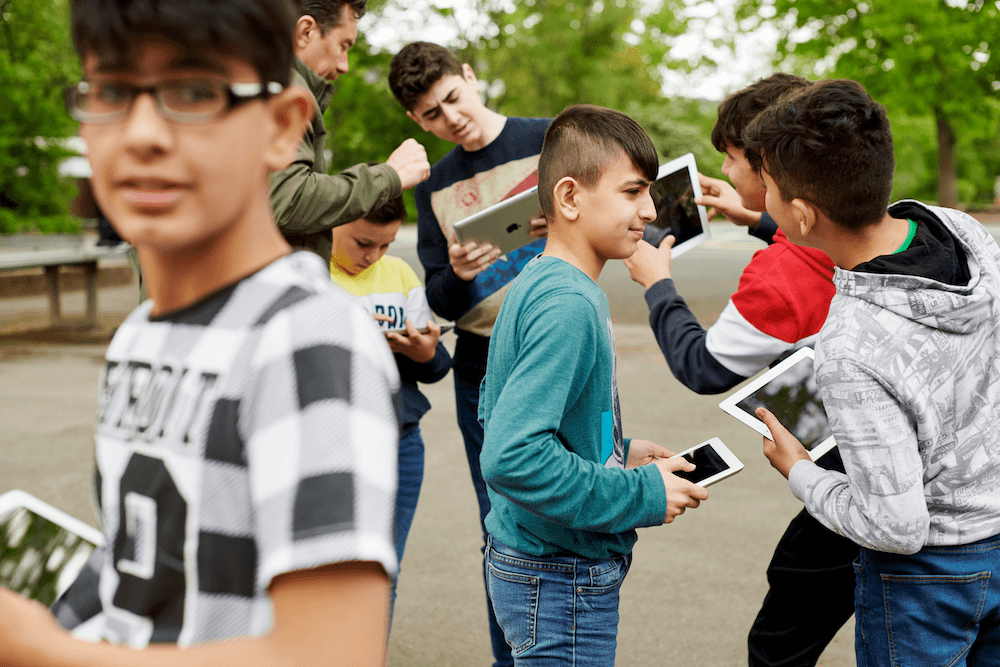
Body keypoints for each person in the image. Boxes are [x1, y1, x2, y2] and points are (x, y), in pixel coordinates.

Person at [0, 1, 401, 665]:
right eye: (111, 92)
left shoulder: (307, 339)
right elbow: (139, 572)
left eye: (194, 92)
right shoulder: (139, 333)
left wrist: (43, 650)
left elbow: (330, 652)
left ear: (282, 128)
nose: (143, 133)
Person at [748, 79, 1000, 667]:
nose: (764, 201)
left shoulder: (850, 348)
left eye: (767, 188)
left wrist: (801, 472)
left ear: (803, 215)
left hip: (925, 582)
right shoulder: (960, 232)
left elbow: (896, 527)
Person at [624, 72, 862, 667]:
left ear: (768, 163)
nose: (725, 174)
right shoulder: (864, 221)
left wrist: (658, 286)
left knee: (781, 638)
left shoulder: (776, 277)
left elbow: (702, 367)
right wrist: (758, 220)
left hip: (854, 475)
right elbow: (815, 243)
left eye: (732, 159)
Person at [479, 104, 710, 664]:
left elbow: (501, 411)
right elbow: (510, 456)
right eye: (632, 192)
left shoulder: (542, 281)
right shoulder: (570, 304)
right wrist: (643, 492)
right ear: (569, 198)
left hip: (535, 559)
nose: (650, 210)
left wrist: (615, 452)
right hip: (559, 574)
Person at [388, 40, 549, 667]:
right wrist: (455, 271)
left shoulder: (549, 138)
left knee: (580, 513)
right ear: (418, 123)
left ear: (472, 78)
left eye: (452, 98)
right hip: (483, 364)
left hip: (565, 344)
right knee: (501, 526)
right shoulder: (438, 186)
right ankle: (509, 659)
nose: (450, 117)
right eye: (431, 114)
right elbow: (439, 300)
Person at [329, 194, 452, 625]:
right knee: (327, 573)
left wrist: (423, 352)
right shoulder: (308, 271)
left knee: (383, 573)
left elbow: (437, 367)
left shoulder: (398, 273)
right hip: (334, 441)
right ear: (332, 221)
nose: (373, 256)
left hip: (399, 437)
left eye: (384, 245)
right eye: (363, 243)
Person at [269, 0, 431, 263]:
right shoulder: (284, 91)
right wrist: (390, 176)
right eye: (343, 45)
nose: (344, 65)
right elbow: (290, 199)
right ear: (306, 31)